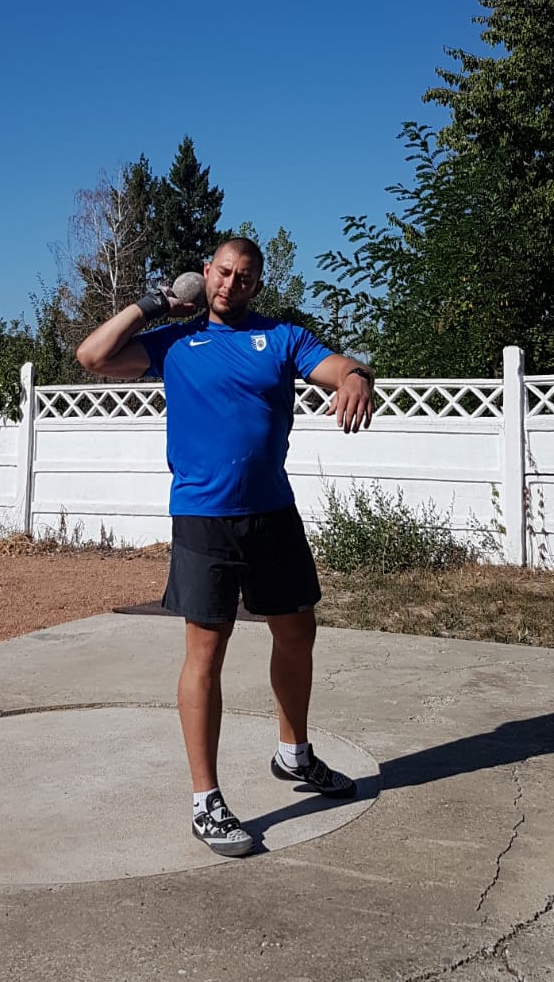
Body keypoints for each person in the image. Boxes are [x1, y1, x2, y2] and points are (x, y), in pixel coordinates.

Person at [75, 236, 373, 857]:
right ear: (206, 272)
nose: (231, 285)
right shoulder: (174, 343)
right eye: (223, 272)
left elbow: (338, 366)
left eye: (244, 277)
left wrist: (357, 376)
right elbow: (92, 355)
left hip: (273, 514)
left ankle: (294, 754)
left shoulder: (282, 338)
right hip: (204, 519)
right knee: (206, 653)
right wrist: (155, 304)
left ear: (257, 284)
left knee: (298, 632)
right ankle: (205, 800)